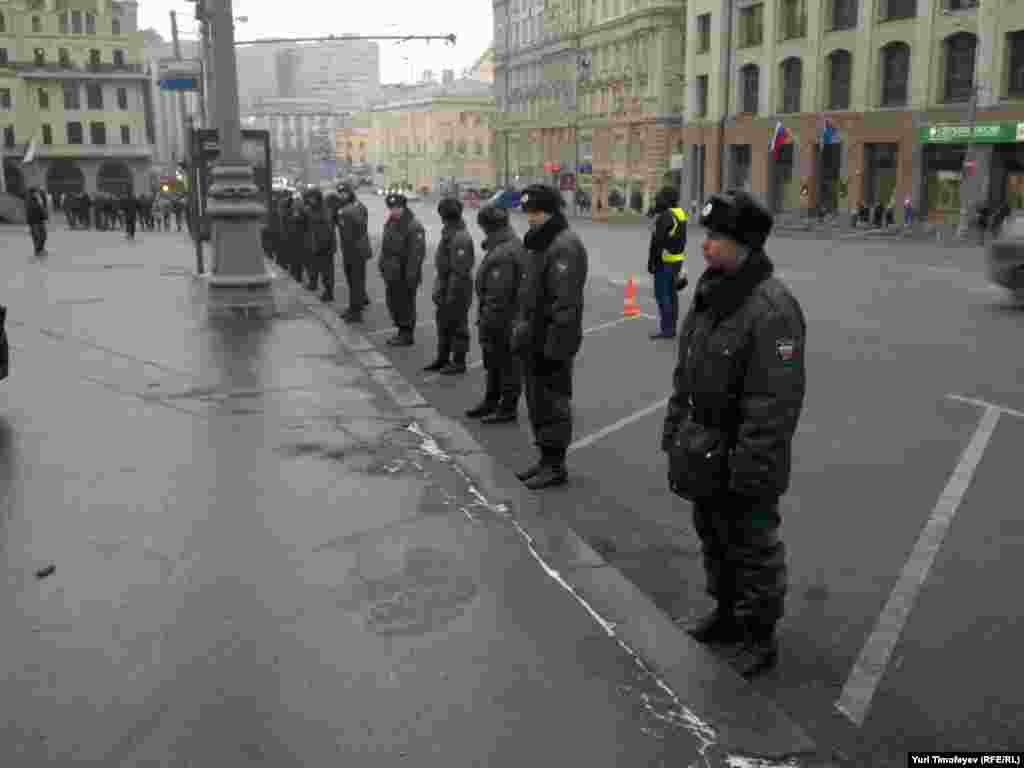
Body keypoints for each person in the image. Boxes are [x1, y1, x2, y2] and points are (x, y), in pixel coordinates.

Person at [661, 190, 806, 679]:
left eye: (718, 236)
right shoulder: (711, 293)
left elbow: (773, 403)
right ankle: (725, 614)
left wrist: (752, 467)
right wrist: (674, 429)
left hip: (743, 453)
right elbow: (687, 371)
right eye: (709, 233)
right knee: (714, 535)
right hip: (705, 448)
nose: (706, 244)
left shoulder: (772, 308)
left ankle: (758, 635)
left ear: (744, 244)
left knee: (753, 545)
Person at [509, 184, 588, 490]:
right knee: (537, 402)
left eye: (536, 212)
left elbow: (565, 303)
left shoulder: (563, 245)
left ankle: (555, 465)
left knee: (553, 403)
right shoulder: (540, 242)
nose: (530, 218)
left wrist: (557, 347)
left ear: (552, 211)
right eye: (528, 212)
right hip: (534, 338)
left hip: (551, 341)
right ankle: (545, 459)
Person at [467, 204, 524, 424]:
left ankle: (507, 408)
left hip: (502, 320)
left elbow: (498, 296)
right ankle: (491, 402)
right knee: (495, 365)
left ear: (486, 227)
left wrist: (487, 324)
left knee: (505, 365)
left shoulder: (504, 253)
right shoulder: (507, 245)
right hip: (505, 318)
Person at [424, 197, 475, 375]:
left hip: (456, 289)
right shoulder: (450, 232)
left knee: (458, 325)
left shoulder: (459, 237)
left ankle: (458, 361)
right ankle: (443, 358)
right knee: (444, 324)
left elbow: (459, 272)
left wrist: (451, 295)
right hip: (446, 287)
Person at [379, 192, 427, 347]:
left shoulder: (413, 225)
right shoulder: (391, 222)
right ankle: (401, 330)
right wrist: (383, 265)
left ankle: (406, 334)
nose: (394, 211)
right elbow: (386, 247)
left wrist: (411, 276)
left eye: (397, 208)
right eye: (391, 208)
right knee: (394, 303)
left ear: (403, 207)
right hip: (392, 273)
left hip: (405, 274)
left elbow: (416, 255)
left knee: (405, 304)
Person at [647, 185, 690, 340]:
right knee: (672, 295)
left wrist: (652, 262)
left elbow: (657, 242)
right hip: (676, 261)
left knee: (662, 295)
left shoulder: (666, 216)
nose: (657, 199)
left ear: (666, 199)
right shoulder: (680, 214)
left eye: (660, 197)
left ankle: (667, 329)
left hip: (664, 262)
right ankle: (671, 326)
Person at [334, 183, 373, 323]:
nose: (342, 195)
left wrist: (343, 214)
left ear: (350, 193)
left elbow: (357, 226)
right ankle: (355, 306)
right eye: (340, 193)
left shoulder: (353, 208)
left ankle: (356, 312)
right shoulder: (349, 207)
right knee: (353, 280)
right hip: (352, 249)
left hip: (356, 250)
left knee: (355, 280)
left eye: (344, 193)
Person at [301, 189, 337, 303]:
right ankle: (314, 283)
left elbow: (328, 227)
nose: (311, 201)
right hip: (314, 244)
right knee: (313, 267)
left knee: (327, 271)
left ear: (317, 198)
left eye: (312, 198)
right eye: (309, 198)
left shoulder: (324, 209)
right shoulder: (309, 209)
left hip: (325, 245)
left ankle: (329, 292)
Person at [26, 188, 48, 256]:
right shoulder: (30, 201)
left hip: (40, 220)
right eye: (36, 192)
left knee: (43, 236)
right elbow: (32, 211)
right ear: (33, 193)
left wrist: (44, 217)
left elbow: (42, 208)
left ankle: (40, 249)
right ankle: (38, 251)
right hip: (34, 222)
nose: (37, 194)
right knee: (37, 237)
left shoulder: (37, 200)